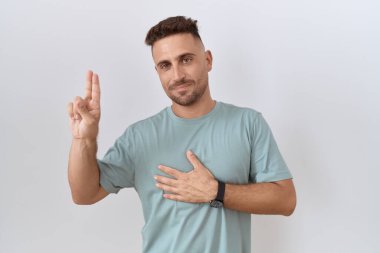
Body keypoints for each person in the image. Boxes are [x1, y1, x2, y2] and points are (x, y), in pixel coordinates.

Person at [67, 16, 296, 253]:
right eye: (165, 65)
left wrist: (216, 191)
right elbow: (84, 194)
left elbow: (285, 200)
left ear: (207, 60)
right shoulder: (139, 137)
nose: (177, 75)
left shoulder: (248, 123)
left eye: (185, 60)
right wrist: (83, 140)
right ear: (157, 72)